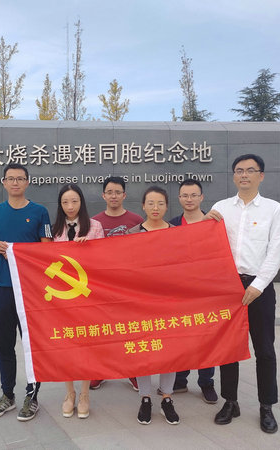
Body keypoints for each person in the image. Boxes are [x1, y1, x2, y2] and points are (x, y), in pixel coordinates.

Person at [205, 154, 280, 434]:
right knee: (228, 348)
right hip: (227, 288)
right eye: (239, 170)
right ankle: (231, 402)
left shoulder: (273, 209)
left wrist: (258, 284)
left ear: (260, 176)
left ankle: (266, 406)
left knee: (264, 349)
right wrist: (204, 222)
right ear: (233, 175)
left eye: (250, 170)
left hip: (258, 288)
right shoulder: (221, 208)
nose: (244, 175)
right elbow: (206, 243)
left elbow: (276, 251)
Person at [0, 163, 53, 422]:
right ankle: (7, 395)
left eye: (20, 178)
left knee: (32, 345)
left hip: (30, 290)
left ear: (27, 182)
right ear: (4, 182)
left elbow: (47, 248)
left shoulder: (39, 212)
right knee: (4, 344)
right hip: (1, 286)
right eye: (10, 179)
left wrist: (26, 253)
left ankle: (32, 397)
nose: (15, 183)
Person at [127, 186, 180, 426]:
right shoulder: (132, 233)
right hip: (141, 302)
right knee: (144, 349)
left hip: (169, 301)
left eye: (160, 203)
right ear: (143, 206)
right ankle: (145, 397)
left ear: (167, 206)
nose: (155, 208)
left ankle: (167, 397)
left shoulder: (176, 233)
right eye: (150, 203)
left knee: (169, 350)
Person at [161, 179, 218, 404]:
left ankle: (206, 382)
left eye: (194, 195)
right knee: (181, 335)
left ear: (201, 197)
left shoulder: (213, 222)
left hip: (206, 290)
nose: (189, 199)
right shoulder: (172, 225)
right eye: (185, 195)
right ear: (179, 199)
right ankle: (180, 379)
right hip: (180, 292)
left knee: (206, 338)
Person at [52, 184, 105, 419]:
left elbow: (104, 260)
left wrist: (90, 249)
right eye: (65, 202)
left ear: (81, 202)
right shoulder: (54, 229)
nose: (70, 206)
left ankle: (84, 394)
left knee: (86, 344)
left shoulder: (95, 226)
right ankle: (69, 393)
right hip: (62, 298)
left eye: (74, 201)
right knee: (65, 345)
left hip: (87, 296)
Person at [91, 176, 143, 391]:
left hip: (128, 285)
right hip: (101, 285)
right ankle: (100, 371)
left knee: (130, 330)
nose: (114, 196)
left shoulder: (137, 220)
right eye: (110, 192)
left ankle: (132, 371)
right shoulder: (93, 222)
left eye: (118, 192)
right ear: (103, 195)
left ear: (124, 195)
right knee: (103, 330)